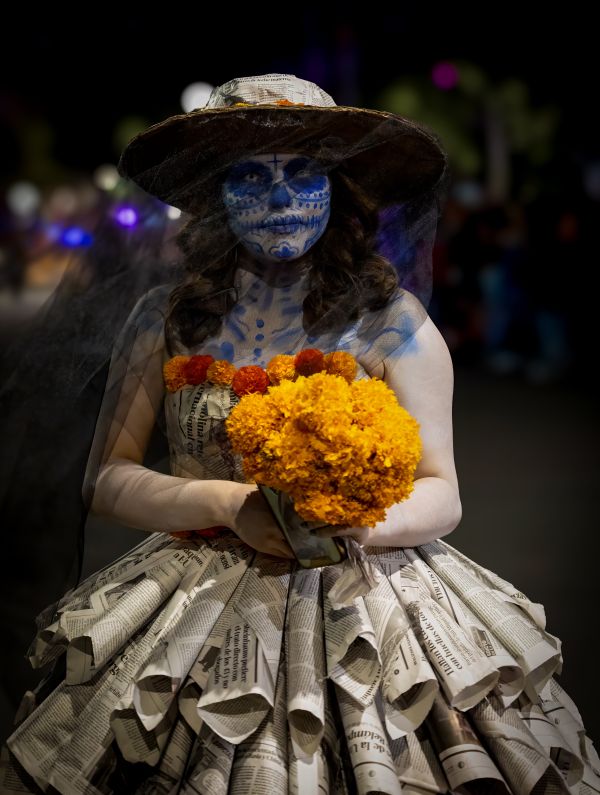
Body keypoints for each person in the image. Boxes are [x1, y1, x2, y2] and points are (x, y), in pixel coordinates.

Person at [1, 74, 598, 795]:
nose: (280, 197)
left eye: (303, 174)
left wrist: (347, 523)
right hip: (191, 599)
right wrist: (229, 505)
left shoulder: (390, 319)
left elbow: (442, 491)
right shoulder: (167, 318)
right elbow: (107, 477)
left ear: (337, 189)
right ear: (215, 194)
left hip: (366, 594)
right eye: (251, 176)